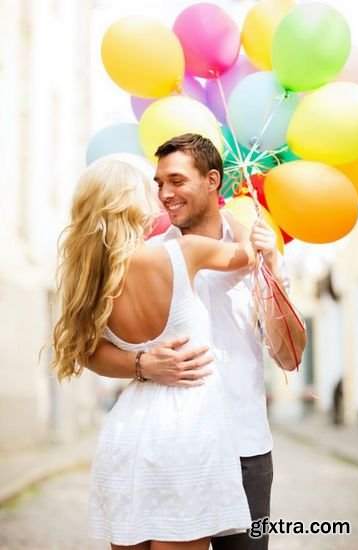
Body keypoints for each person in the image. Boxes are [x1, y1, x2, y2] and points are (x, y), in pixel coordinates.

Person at [87, 134, 307, 550]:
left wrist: (272, 273)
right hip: (170, 444)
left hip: (245, 449)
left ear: (212, 181)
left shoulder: (260, 254)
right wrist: (141, 365)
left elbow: (289, 355)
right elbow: (92, 351)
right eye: (158, 183)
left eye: (176, 181)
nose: (164, 195)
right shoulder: (147, 254)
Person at [51, 157, 257, 549]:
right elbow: (247, 255)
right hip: (188, 432)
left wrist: (141, 365)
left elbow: (88, 353)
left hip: (127, 432)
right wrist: (237, 207)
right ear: (136, 203)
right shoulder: (184, 252)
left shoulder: (91, 279)